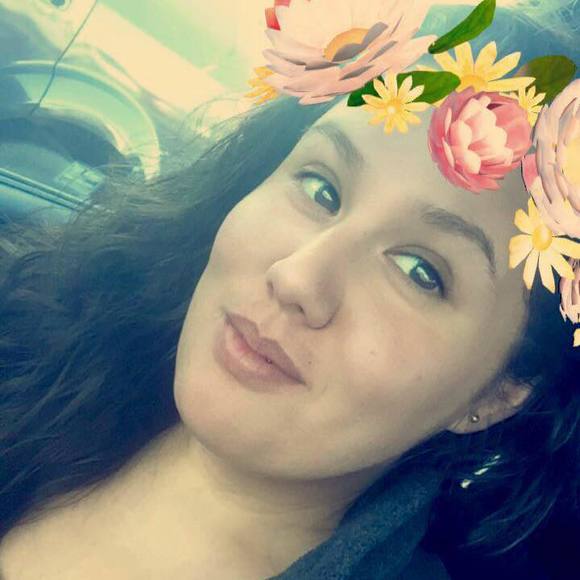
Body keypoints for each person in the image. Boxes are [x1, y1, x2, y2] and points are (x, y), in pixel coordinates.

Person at [0, 1, 579, 578]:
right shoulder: (35, 326)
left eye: (418, 271)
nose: (296, 276)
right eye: (321, 187)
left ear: (497, 394)